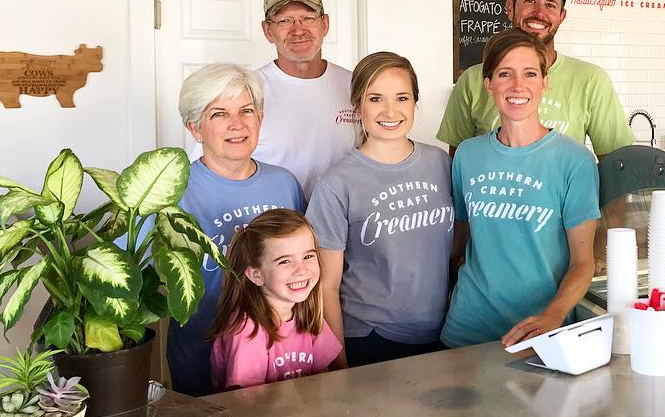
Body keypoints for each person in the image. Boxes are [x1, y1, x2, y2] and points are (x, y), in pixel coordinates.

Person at [441, 29, 600, 349]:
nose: (517, 85)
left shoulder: (575, 161)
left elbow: (584, 262)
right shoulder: (467, 156)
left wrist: (552, 316)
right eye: (504, 74)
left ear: (544, 82)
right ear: (488, 84)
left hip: (539, 330)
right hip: (467, 327)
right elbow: (460, 241)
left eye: (530, 73)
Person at [307, 52, 453, 367]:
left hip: (442, 332)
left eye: (402, 97)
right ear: (357, 106)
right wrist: (339, 362)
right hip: (372, 338)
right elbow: (326, 285)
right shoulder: (336, 183)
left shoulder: (440, 163)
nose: (390, 111)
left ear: (415, 102)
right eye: (376, 98)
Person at [169, 63, 305, 396]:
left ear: (260, 117)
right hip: (200, 357)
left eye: (246, 110)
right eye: (219, 114)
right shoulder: (173, 193)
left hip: (282, 356)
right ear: (195, 128)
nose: (237, 124)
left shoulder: (284, 183)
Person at [437, 0, 633, 158]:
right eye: (530, 1)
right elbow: (458, 165)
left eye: (550, 4)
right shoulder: (472, 81)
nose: (540, 13)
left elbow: (616, 165)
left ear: (561, 16)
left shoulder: (591, 80)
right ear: (510, 7)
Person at [209, 209, 343, 390]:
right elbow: (247, 402)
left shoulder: (307, 314)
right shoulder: (247, 329)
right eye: (285, 261)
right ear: (256, 275)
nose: (301, 270)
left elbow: (324, 375)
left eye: (308, 256)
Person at [255, 0, 358, 199]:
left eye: (308, 18)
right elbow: (210, 167)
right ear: (267, 31)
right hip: (274, 227)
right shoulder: (246, 91)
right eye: (284, 20)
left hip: (343, 224)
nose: (298, 30)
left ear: (325, 23)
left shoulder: (355, 86)